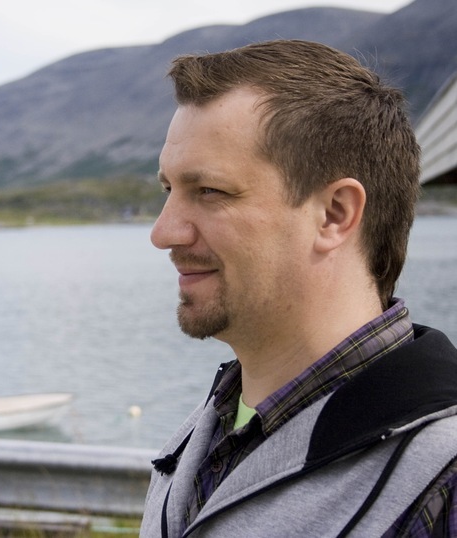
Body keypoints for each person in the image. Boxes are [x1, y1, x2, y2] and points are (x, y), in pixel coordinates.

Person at [141, 39, 457, 537]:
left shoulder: (443, 478)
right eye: (168, 189)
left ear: (334, 214)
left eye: (210, 191)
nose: (163, 233)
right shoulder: (202, 437)